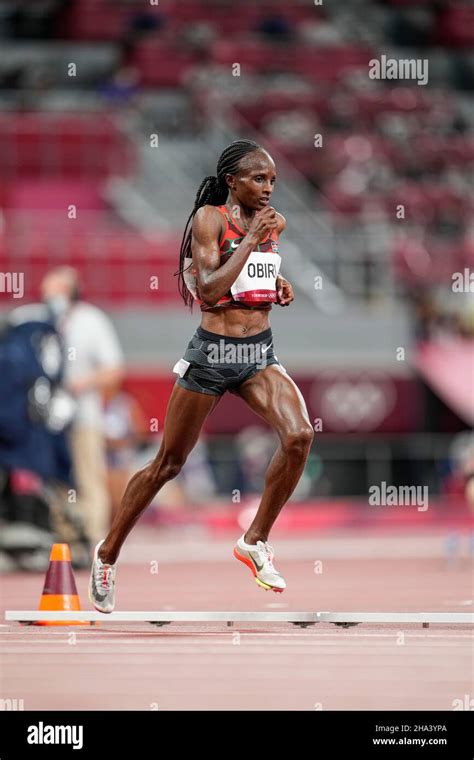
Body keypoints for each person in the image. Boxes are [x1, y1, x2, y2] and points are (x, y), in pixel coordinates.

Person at [89, 139, 314, 613]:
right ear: (232, 181)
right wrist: (252, 240)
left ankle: (255, 541)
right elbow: (210, 291)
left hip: (258, 353)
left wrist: (277, 284)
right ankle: (107, 554)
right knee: (168, 464)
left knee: (298, 435)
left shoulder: (276, 224)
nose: (269, 188)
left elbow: (252, 276)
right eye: (258, 178)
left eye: (273, 180)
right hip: (211, 354)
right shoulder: (210, 219)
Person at [40, 267, 125, 551]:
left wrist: (82, 383)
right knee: (55, 478)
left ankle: (93, 538)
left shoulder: (91, 321)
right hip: (48, 417)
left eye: (54, 291)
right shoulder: (43, 320)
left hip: (83, 414)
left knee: (89, 476)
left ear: (69, 290)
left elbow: (114, 369)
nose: (48, 297)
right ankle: (63, 537)